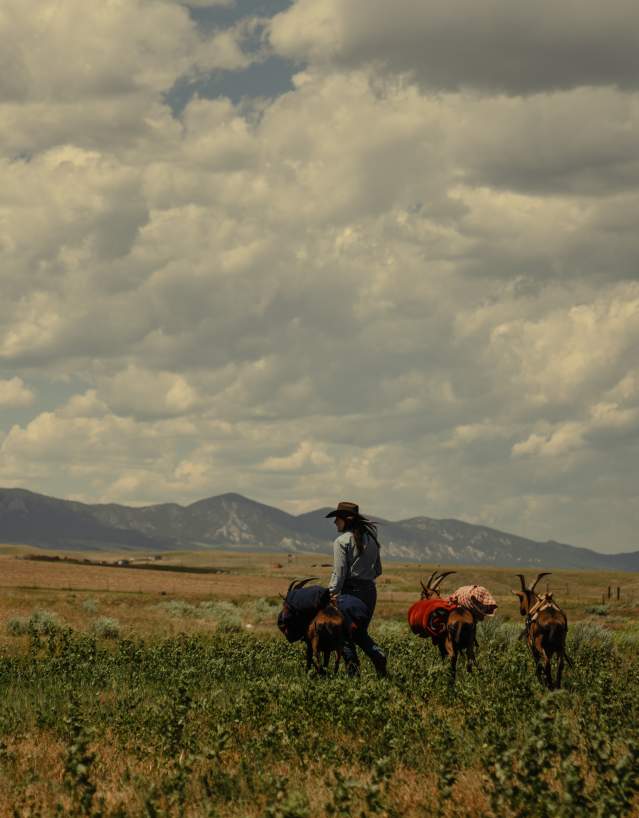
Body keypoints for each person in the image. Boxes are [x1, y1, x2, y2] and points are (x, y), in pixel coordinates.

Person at [325, 501, 387, 677]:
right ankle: (373, 660)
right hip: (369, 593)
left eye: (337, 518)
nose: (335, 522)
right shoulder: (372, 540)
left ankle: (360, 666)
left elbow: (339, 572)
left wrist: (329, 594)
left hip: (350, 594)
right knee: (357, 633)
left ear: (347, 519)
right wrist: (364, 576)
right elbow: (378, 570)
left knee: (342, 634)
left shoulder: (341, 541)